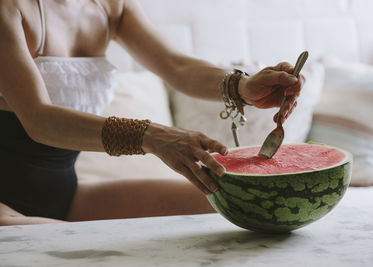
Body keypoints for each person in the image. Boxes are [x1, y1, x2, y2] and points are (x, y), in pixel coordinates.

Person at [0, 0, 304, 226]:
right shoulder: (9, 10)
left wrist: (242, 86)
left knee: (235, 204)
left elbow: (176, 66)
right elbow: (39, 120)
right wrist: (151, 136)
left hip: (65, 195)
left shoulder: (109, 6)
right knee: (90, 249)